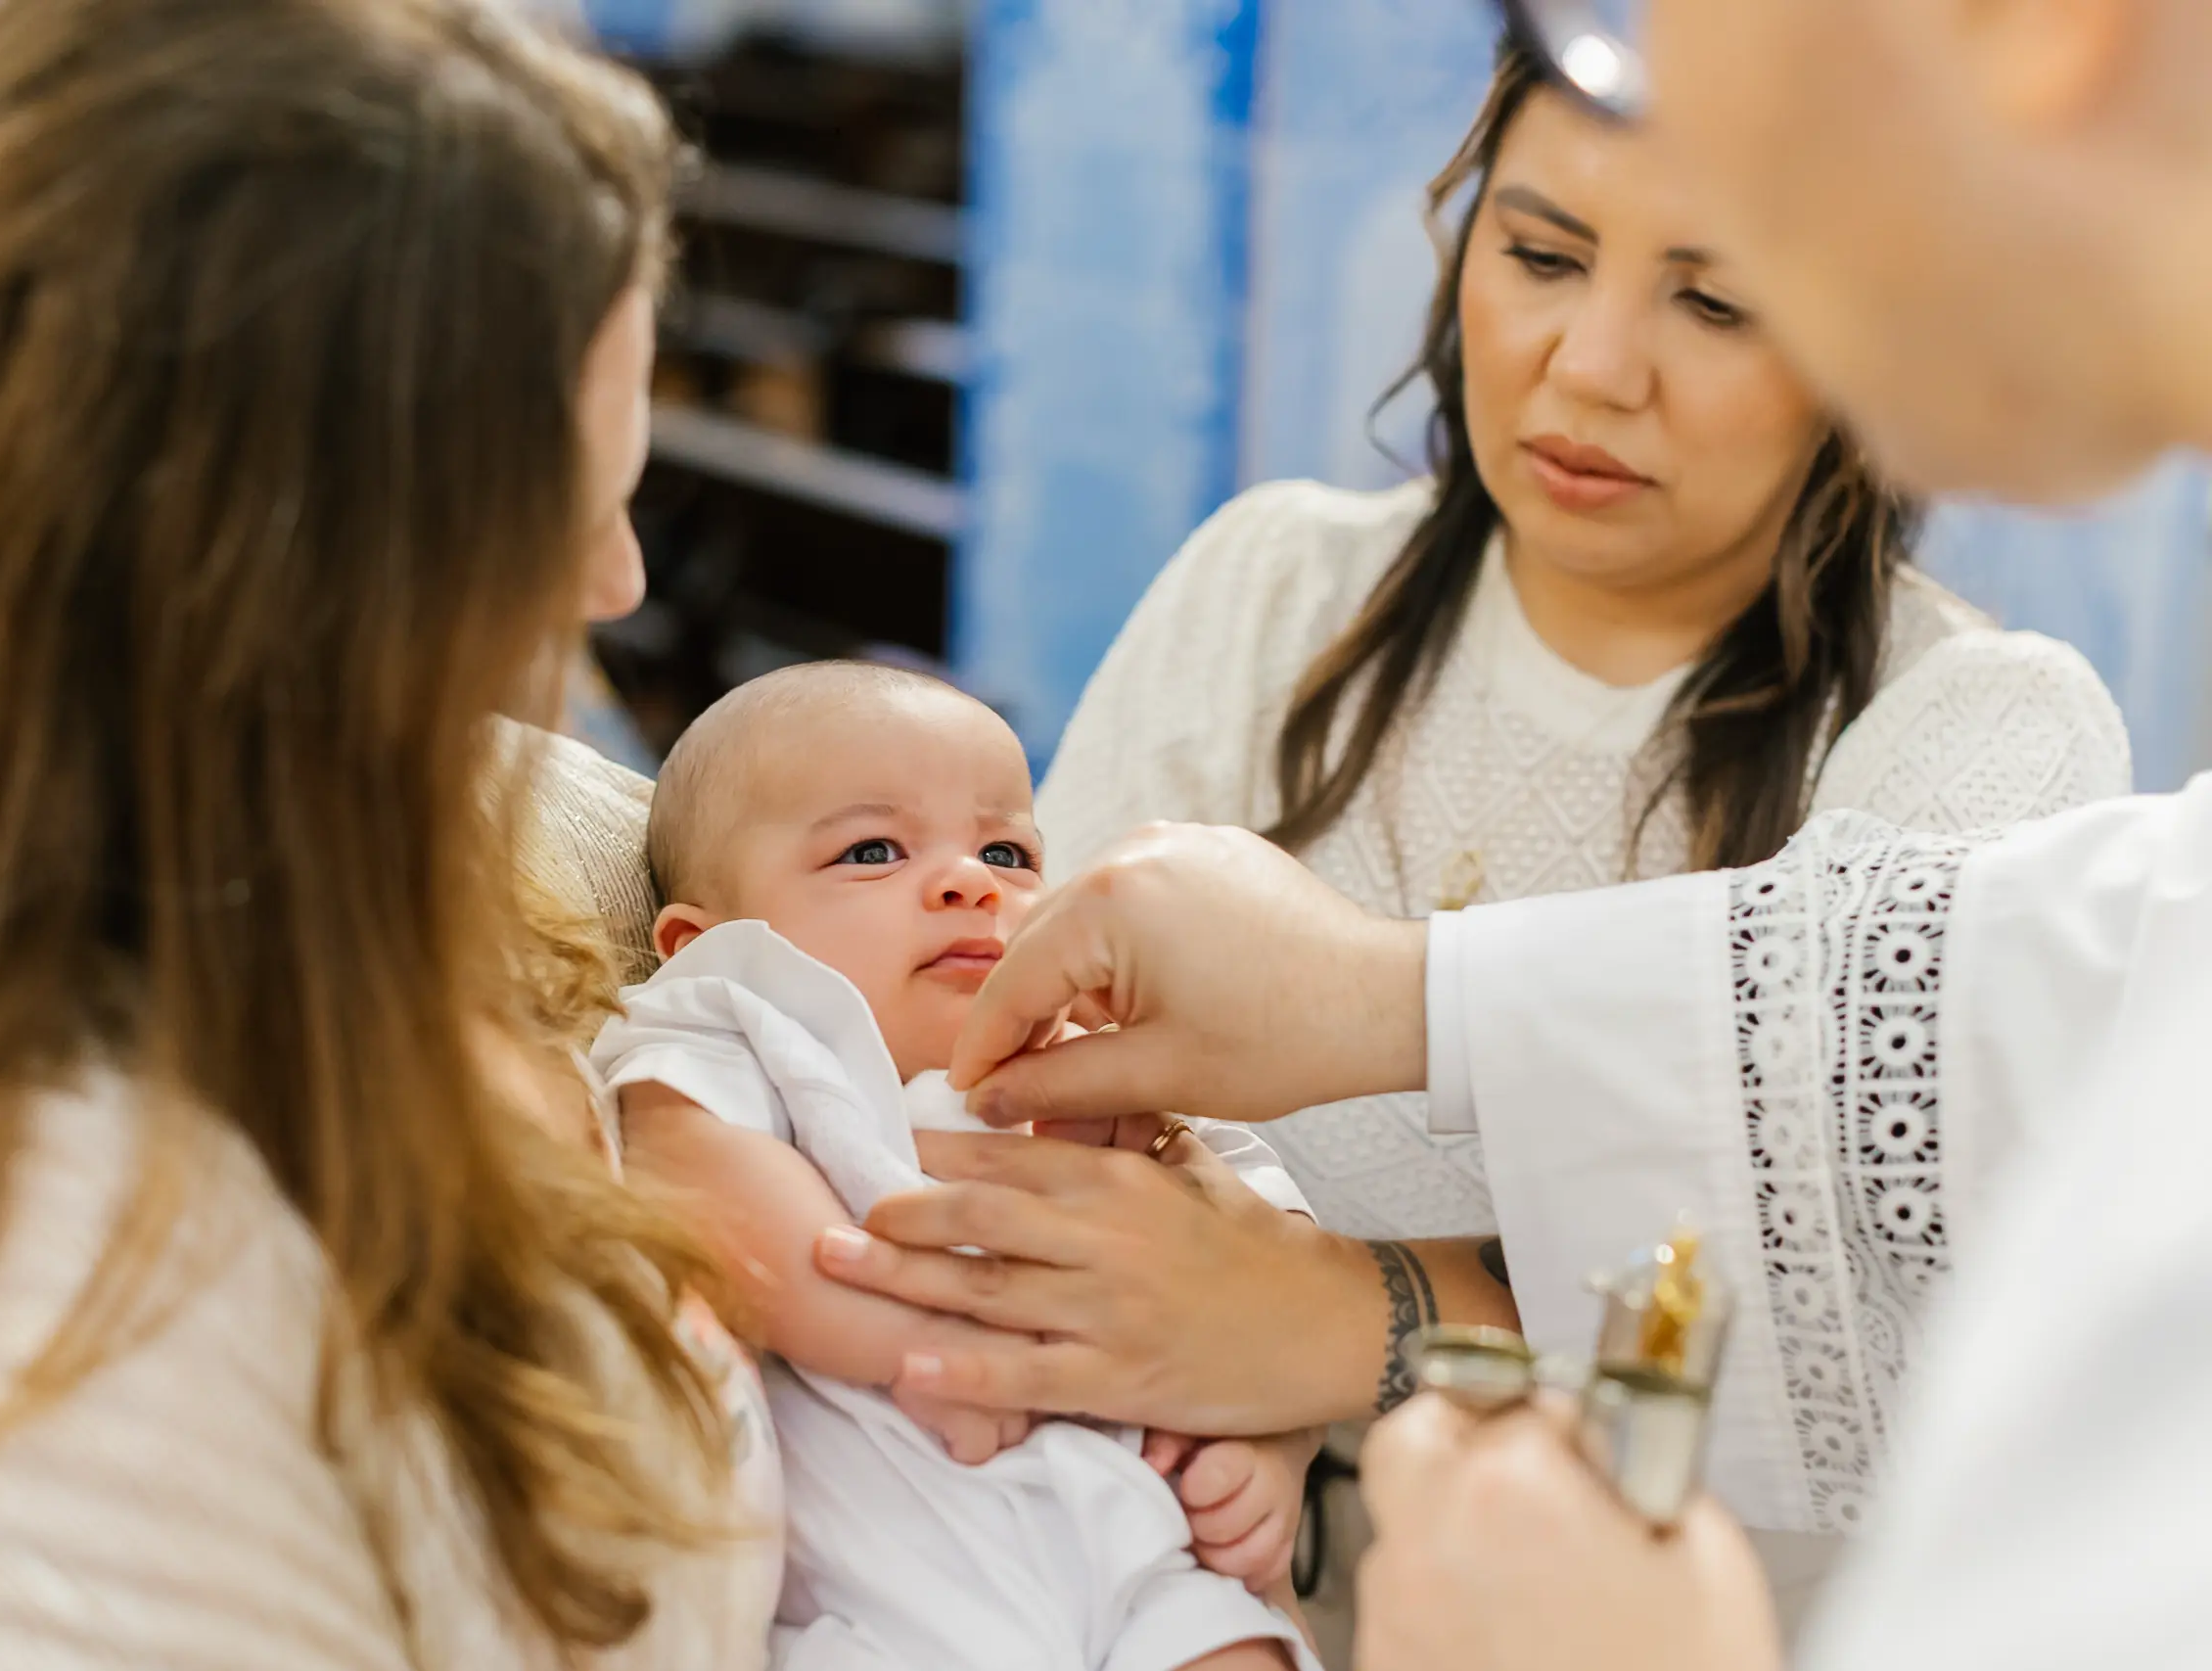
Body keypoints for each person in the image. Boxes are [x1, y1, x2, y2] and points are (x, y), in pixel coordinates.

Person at [828, 1, 2212, 1665]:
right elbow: (994, 1097)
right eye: (1541, 253)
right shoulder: (1270, 592)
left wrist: (1336, 1322)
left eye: (1716, 296)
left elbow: (1870, 1248)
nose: (1592, 365)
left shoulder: (1977, 732)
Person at [0, 0, 783, 1665]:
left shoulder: (484, 832)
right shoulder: (66, 1345)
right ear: (286, 584)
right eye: (568, 506)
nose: (620, 585)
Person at [596, 663, 1319, 1670]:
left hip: (1141, 1558)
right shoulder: (739, 1021)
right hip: (891, 1596)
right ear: (699, 943)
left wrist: (1263, 1445)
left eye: (1004, 850)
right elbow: (726, 1214)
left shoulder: (1092, 1053)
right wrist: (934, 1350)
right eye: (873, 849)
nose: (968, 882)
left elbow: (1280, 1268)